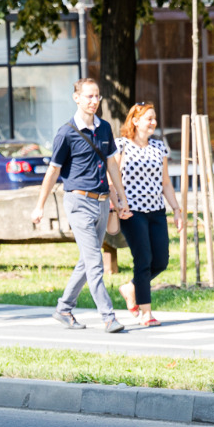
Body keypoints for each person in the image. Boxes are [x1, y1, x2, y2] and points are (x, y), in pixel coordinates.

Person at [29, 78, 132, 333]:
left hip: (101, 202)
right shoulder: (66, 133)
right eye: (88, 96)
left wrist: (121, 199)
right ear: (77, 98)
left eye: (97, 96)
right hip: (78, 202)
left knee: (87, 262)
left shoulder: (105, 128)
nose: (94, 101)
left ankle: (64, 309)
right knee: (95, 262)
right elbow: (53, 172)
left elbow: (112, 166)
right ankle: (108, 317)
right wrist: (40, 205)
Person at [114, 103, 182, 327]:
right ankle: (146, 313)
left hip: (156, 211)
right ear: (135, 121)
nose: (153, 122)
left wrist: (177, 210)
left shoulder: (158, 147)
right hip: (132, 212)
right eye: (148, 118)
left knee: (161, 261)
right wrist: (118, 204)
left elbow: (165, 183)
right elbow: (112, 178)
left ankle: (131, 287)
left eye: (154, 118)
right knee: (143, 260)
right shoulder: (121, 146)